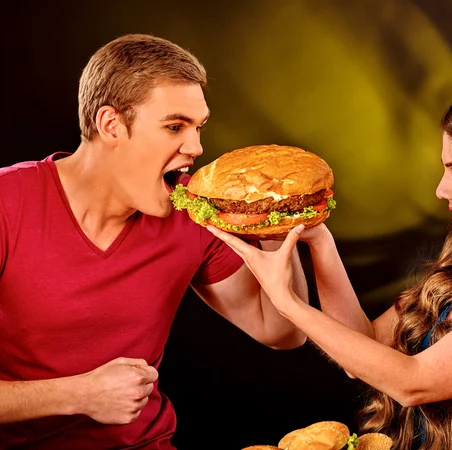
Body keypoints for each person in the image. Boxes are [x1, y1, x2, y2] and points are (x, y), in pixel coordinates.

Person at [207, 83, 452, 450]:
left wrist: (287, 301)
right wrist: (318, 239)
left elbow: (414, 382)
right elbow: (362, 350)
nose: (442, 189)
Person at [0, 34, 309, 448]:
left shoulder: (193, 213)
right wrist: (78, 395)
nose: (196, 147)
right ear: (111, 125)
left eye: (199, 127)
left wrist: (271, 220)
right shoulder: (7, 203)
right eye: (175, 127)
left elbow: (283, 331)